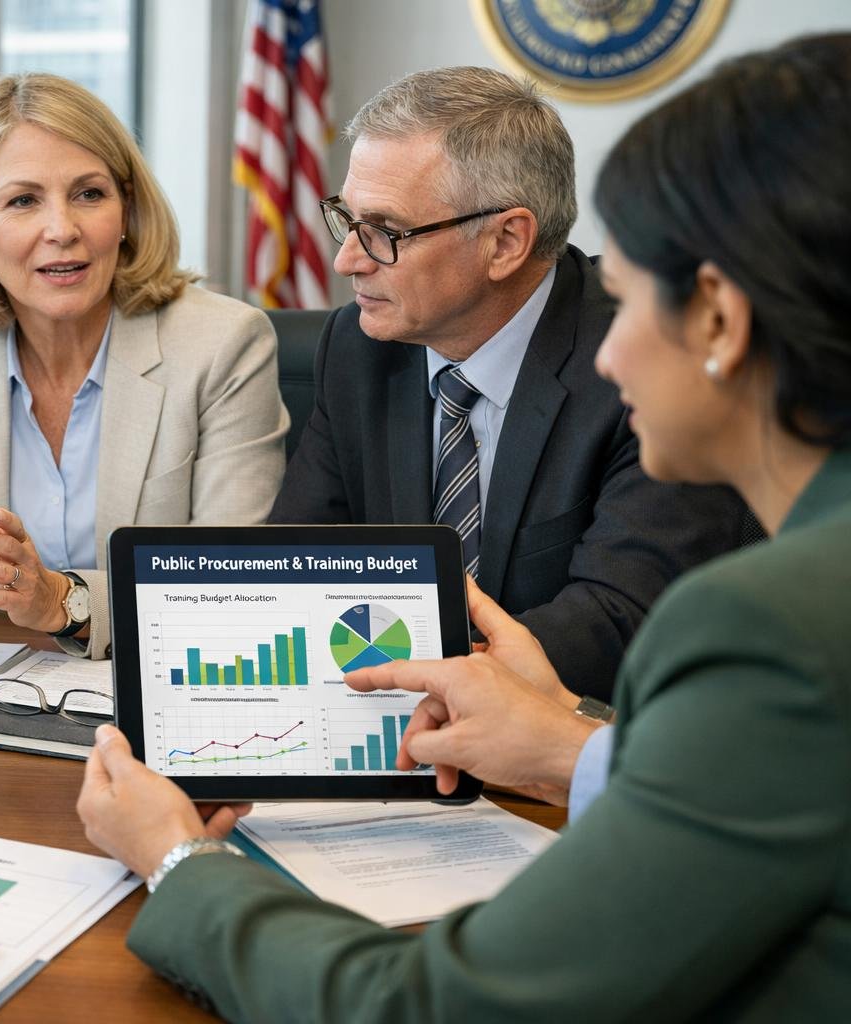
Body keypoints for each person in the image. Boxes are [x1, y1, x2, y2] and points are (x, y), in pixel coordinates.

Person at [76, 34, 851, 1020]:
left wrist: (179, 860)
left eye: (631, 297)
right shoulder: (365, 346)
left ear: (720, 321)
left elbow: (432, 1007)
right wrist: (570, 746)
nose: (610, 350)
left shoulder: (767, 633)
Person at [271, 65, 748, 700]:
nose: (346, 259)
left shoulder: (645, 358)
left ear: (506, 241)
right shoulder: (358, 348)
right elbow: (290, 567)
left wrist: (430, 683)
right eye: (346, 219)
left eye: (384, 231)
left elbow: (615, 618)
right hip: (394, 725)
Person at [0, 73, 287, 658]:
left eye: (89, 194)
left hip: (166, 689)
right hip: (0, 694)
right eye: (24, 200)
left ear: (126, 209)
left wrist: (63, 602)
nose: (63, 230)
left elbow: (229, 582)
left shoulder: (223, 343)